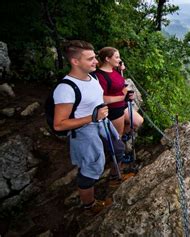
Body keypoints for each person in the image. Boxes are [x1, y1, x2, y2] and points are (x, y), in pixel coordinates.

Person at [53, 40, 119, 215]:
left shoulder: (92, 77)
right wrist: (92, 117)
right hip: (84, 131)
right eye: (90, 59)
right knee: (91, 168)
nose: (96, 62)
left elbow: (100, 98)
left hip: (102, 123)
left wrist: (123, 98)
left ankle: (114, 179)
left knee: (118, 148)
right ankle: (88, 205)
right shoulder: (65, 89)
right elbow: (59, 124)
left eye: (95, 57)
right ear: (75, 62)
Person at [95, 47, 143, 138]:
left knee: (138, 121)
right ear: (107, 59)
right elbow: (103, 98)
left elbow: (120, 84)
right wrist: (123, 97)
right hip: (113, 109)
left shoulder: (115, 70)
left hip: (122, 104)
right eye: (117, 57)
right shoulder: (100, 76)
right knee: (117, 135)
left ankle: (122, 138)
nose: (120, 60)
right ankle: (117, 145)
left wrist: (121, 71)